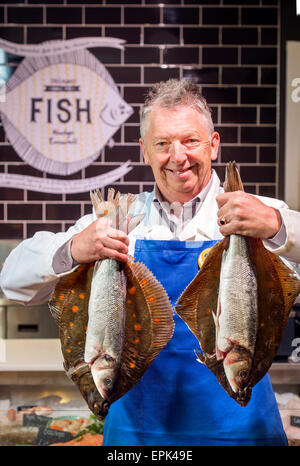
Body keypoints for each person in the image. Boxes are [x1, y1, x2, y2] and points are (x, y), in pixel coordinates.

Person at [1, 79, 300, 446]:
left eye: (190, 140)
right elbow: (12, 281)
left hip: (243, 434)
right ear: (144, 150)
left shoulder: (260, 214)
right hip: (138, 439)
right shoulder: (117, 220)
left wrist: (277, 225)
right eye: (162, 144)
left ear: (214, 145)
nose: (178, 156)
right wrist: (74, 249)